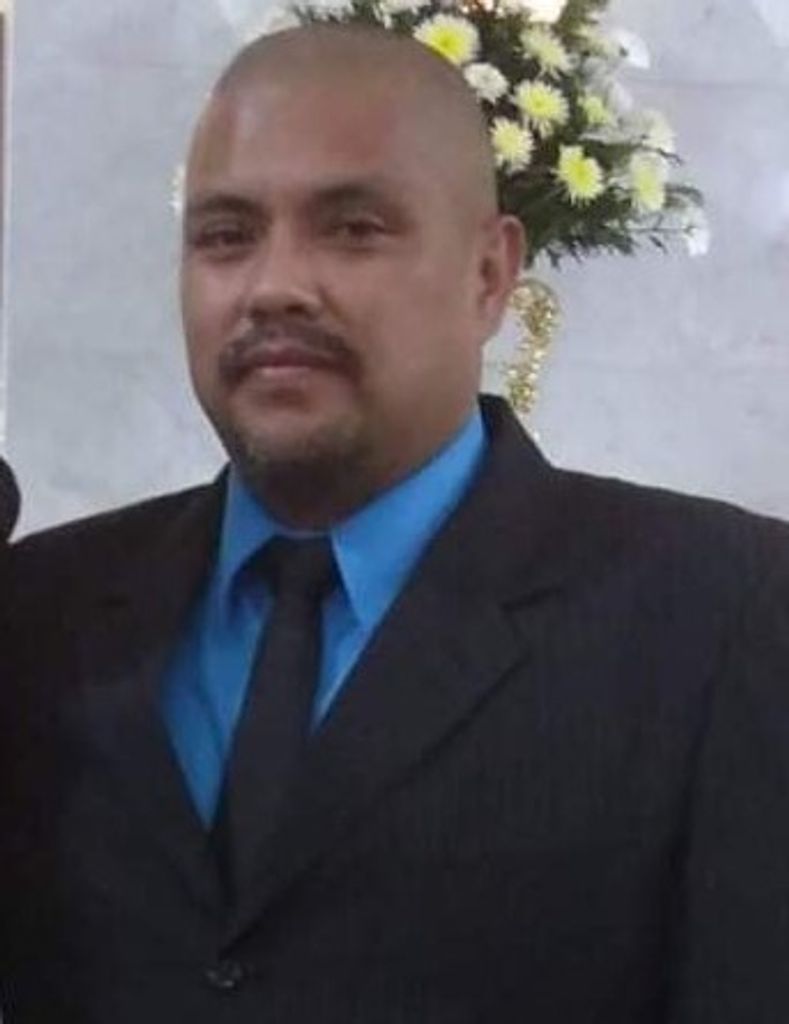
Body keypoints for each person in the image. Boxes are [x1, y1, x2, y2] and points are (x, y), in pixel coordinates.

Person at [3, 23, 789, 1024]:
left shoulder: (720, 616)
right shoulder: (40, 609)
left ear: (489, 275)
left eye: (353, 228)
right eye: (226, 235)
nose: (274, 285)